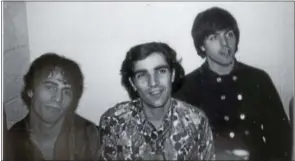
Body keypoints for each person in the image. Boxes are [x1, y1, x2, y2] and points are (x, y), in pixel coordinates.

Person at [173, 7, 292, 160]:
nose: (225, 44)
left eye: (229, 34)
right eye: (213, 38)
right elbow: (180, 148)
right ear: (202, 46)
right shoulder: (186, 87)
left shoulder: (258, 79)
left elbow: (281, 138)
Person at [99, 42, 215, 160]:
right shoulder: (114, 122)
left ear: (173, 74)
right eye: (142, 75)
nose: (153, 83)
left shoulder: (196, 122)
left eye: (161, 71)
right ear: (133, 83)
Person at [5, 53, 100, 161]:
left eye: (66, 91)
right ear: (31, 90)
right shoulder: (11, 141)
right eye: (50, 87)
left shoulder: (88, 136)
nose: (58, 98)